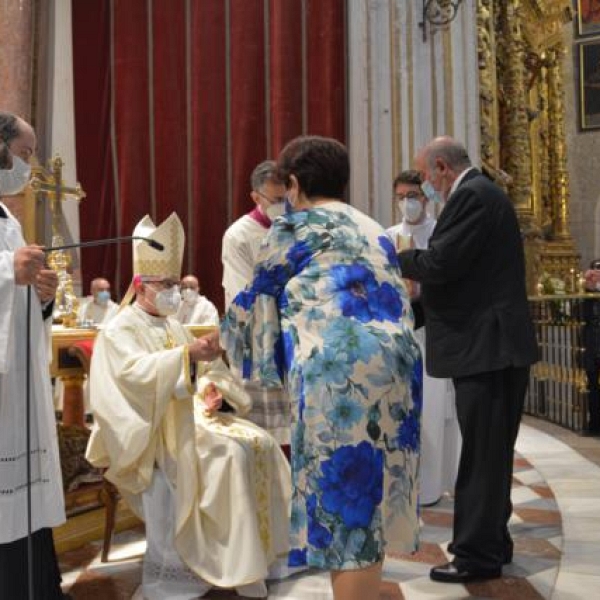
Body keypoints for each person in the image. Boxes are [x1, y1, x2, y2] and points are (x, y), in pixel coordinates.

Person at [222, 136, 422, 600]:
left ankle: (364, 594)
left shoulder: (293, 228)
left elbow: (254, 306)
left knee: (345, 511)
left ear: (292, 183)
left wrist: (222, 339)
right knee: (370, 496)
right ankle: (378, 592)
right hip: (398, 367)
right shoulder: (372, 226)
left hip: (340, 377)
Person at [86, 213, 292, 599]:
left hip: (189, 416)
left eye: (175, 284)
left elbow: (205, 370)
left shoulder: (170, 324)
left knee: (259, 443)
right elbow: (130, 378)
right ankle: (190, 570)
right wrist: (186, 357)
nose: (174, 292)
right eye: (165, 285)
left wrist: (212, 386)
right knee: (230, 456)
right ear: (139, 285)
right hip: (148, 428)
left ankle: (249, 562)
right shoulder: (119, 328)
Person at [398, 136, 539, 583]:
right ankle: (493, 543)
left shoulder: (473, 196)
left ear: (441, 167)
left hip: (488, 348)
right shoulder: (480, 194)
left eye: (424, 176)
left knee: (481, 455)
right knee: (490, 452)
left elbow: (441, 264)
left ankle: (476, 555)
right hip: (491, 346)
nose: (424, 186)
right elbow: (461, 277)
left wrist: (390, 257)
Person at [0, 112, 70, 599]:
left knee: (22, 511)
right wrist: (9, 269)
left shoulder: (7, 217)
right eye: (24, 154)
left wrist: (40, 295)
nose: (29, 165)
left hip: (16, 387)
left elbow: (18, 297)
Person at [387, 169, 460, 506]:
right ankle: (402, 483)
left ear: (426, 197)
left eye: (412, 197)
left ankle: (431, 486)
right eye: (401, 197)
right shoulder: (388, 236)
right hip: (399, 330)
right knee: (401, 408)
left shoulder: (441, 233)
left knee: (433, 410)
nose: (407, 203)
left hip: (431, 328)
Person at [222, 160, 291, 447]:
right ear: (255, 197)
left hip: (292, 334)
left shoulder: (296, 228)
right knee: (261, 436)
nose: (281, 206)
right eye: (275, 200)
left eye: (285, 199)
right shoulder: (239, 235)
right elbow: (243, 293)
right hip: (257, 340)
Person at [581, 259, 600, 435]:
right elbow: (579, 316)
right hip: (593, 347)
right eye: (595, 269)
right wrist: (588, 290)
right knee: (593, 387)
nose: (597, 273)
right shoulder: (587, 295)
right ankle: (594, 423)